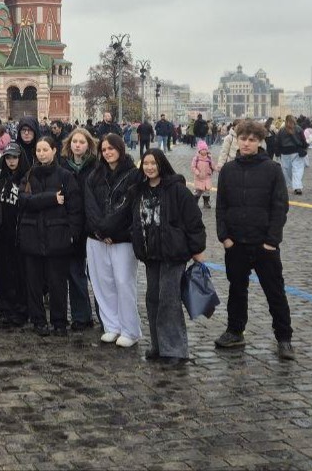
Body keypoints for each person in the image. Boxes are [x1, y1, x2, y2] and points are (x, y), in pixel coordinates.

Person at [214, 120, 294, 360]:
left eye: (251, 139)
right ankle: (235, 330)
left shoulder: (272, 169)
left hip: (264, 244)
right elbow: (221, 207)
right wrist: (224, 237)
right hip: (236, 242)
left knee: (275, 292)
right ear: (236, 140)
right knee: (237, 289)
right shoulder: (228, 170)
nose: (246, 143)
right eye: (243, 138)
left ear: (260, 142)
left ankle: (284, 338)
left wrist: (271, 240)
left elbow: (280, 207)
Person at [131, 149, 206, 366]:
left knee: (169, 300)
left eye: (153, 163)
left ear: (161, 164)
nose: (149, 167)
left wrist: (197, 248)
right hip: (150, 253)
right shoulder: (139, 190)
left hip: (173, 253)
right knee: (153, 298)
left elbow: (193, 220)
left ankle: (175, 349)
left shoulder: (177, 190)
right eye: (146, 163)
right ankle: (157, 346)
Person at [18, 137, 82, 336]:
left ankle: (59, 321)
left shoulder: (65, 176)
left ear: (54, 151)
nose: (41, 153)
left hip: (57, 235)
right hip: (32, 235)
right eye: (38, 150)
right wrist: (52, 199)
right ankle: (38, 320)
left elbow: (75, 208)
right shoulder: (28, 175)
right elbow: (23, 201)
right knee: (34, 283)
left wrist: (72, 233)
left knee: (57, 283)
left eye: (45, 149)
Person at [84, 134, 143, 347]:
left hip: (122, 238)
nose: (108, 152)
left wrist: (109, 229)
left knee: (123, 283)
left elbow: (128, 207)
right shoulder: (94, 174)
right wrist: (100, 231)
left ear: (120, 148)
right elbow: (89, 205)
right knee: (102, 284)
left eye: (111, 148)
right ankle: (112, 326)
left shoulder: (134, 174)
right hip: (97, 238)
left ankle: (130, 330)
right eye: (104, 149)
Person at [59, 128, 99, 331]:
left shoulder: (96, 166)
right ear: (69, 144)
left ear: (89, 145)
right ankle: (80, 317)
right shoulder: (62, 166)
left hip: (92, 227)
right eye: (75, 141)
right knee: (75, 273)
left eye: (82, 142)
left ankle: (105, 317)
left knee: (99, 277)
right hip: (71, 227)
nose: (77, 145)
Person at [0, 143, 28, 330]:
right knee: (2, 275)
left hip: (20, 234)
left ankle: (21, 311)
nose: (11, 161)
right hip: (1, 235)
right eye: (8, 158)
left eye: (14, 157)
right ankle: (4, 311)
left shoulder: (27, 178)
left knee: (20, 275)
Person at [275, 115, 307, 195]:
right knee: (298, 169)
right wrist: (304, 147)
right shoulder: (298, 128)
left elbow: (277, 142)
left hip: (285, 152)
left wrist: (277, 152)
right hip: (296, 151)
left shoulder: (281, 130)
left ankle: (289, 184)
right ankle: (297, 187)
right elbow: (303, 139)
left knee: (286, 170)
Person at [191, 140, 216, 209]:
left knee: (206, 191)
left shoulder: (209, 158)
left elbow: (213, 166)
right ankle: (194, 202)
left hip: (207, 177)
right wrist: (197, 172)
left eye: (205, 149)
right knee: (197, 191)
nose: (204, 151)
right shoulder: (196, 158)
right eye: (202, 149)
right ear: (199, 150)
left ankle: (206, 202)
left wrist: (213, 169)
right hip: (199, 178)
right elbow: (193, 167)